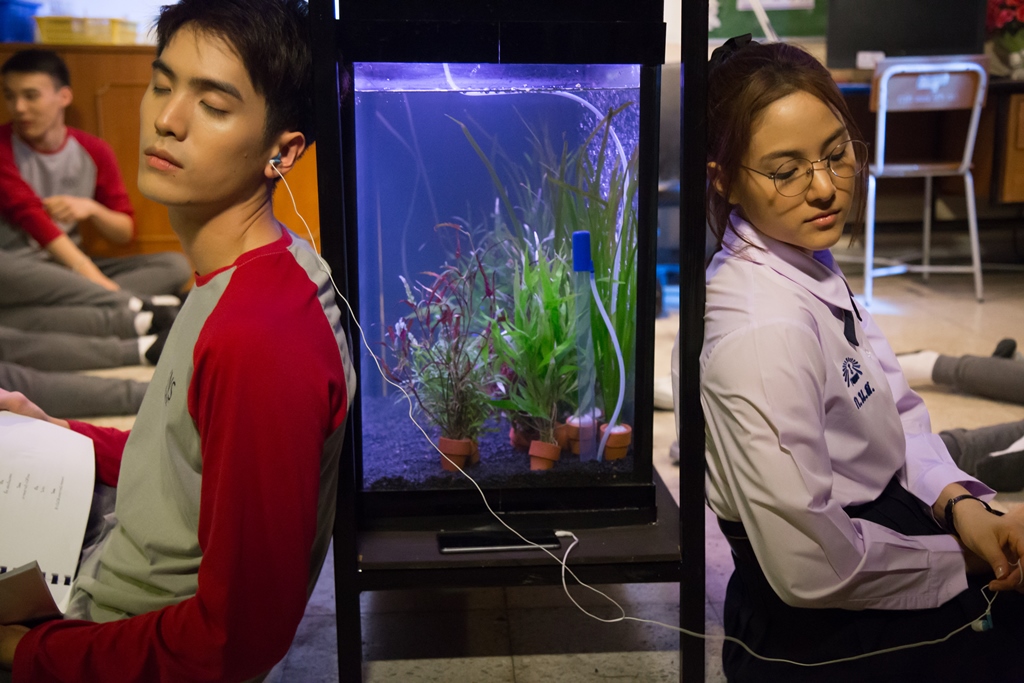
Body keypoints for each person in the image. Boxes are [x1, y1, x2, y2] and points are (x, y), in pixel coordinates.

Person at [0, 1, 356, 680]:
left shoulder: (259, 338)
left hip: (118, 634)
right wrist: (59, 435)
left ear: (283, 152)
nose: (167, 118)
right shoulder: (243, 271)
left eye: (213, 104)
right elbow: (185, 463)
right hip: (106, 576)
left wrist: (25, 651)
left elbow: (233, 640)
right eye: (162, 85)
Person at [699, 35, 1024, 682]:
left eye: (835, 153)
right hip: (821, 627)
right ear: (725, 180)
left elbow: (896, 408)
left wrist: (958, 504)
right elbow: (813, 568)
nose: (825, 188)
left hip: (886, 528)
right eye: (786, 170)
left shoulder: (800, 256)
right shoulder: (763, 328)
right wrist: (963, 560)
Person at [0, 48, 192, 317]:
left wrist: (91, 209)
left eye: (31, 96)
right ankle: (130, 307)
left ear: (64, 97)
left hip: (72, 266)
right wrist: (101, 285)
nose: (18, 108)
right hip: (21, 268)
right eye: (10, 96)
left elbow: (124, 232)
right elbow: (30, 216)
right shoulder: (3, 145)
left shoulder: (94, 150)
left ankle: (89, 308)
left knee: (174, 265)